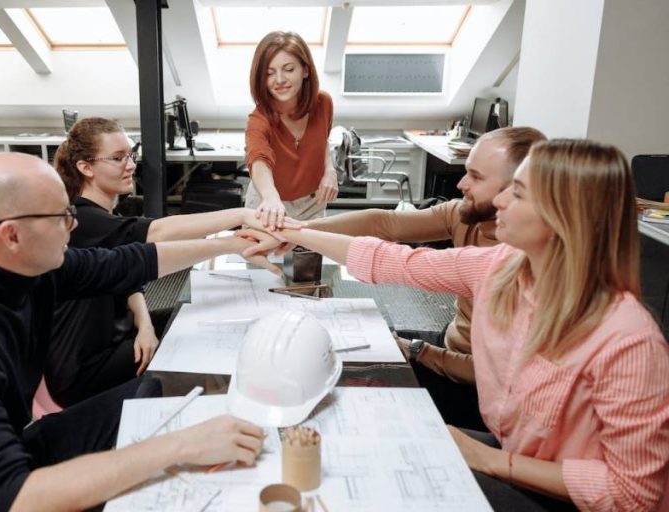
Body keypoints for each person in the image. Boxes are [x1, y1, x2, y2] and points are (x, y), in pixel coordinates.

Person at [243, 139, 669, 510]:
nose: (500, 200)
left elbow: (633, 494)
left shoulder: (628, 340)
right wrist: (295, 232)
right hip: (518, 459)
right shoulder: (504, 267)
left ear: (563, 215)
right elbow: (395, 260)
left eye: (518, 193)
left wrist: (492, 461)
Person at [0, 152, 280, 511]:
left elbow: (128, 262)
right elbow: (10, 498)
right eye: (62, 216)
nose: (74, 224)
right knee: (170, 439)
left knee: (158, 390)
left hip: (17, 448)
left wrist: (234, 243)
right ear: (11, 235)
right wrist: (179, 446)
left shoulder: (24, 269)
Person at [307, 126, 546, 429]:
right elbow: (383, 223)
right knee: (342, 351)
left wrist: (419, 351)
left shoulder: (522, 265)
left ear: (515, 190)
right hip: (448, 345)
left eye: (476, 177)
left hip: (472, 383)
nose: (461, 183)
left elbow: (497, 373)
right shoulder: (465, 217)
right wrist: (297, 229)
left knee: (358, 399)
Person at [49, 117, 295, 407]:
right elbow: (158, 233)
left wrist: (145, 325)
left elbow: (127, 278)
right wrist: (241, 217)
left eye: (130, 155)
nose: (130, 165)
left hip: (121, 335)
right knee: (201, 345)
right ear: (85, 167)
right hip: (86, 366)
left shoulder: (103, 217)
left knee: (198, 318)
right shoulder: (82, 220)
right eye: (117, 158)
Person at [245, 30, 338, 228]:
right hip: (267, 203)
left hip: (312, 203)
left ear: (305, 70)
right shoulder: (258, 119)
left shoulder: (324, 103)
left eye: (288, 69)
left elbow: (323, 141)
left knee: (312, 250)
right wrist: (270, 196)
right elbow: (258, 159)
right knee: (259, 250)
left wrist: (330, 171)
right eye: (269, 73)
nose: (279, 80)